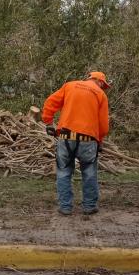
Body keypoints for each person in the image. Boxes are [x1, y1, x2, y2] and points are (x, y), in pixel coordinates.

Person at [42, 71, 110, 216]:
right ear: (100, 82)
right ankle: (89, 206)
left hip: (66, 138)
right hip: (88, 140)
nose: (103, 88)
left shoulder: (70, 86)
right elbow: (103, 125)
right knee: (89, 173)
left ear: (89, 78)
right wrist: (100, 141)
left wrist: (49, 123)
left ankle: (65, 207)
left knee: (64, 172)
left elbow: (50, 103)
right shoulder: (100, 94)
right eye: (103, 85)